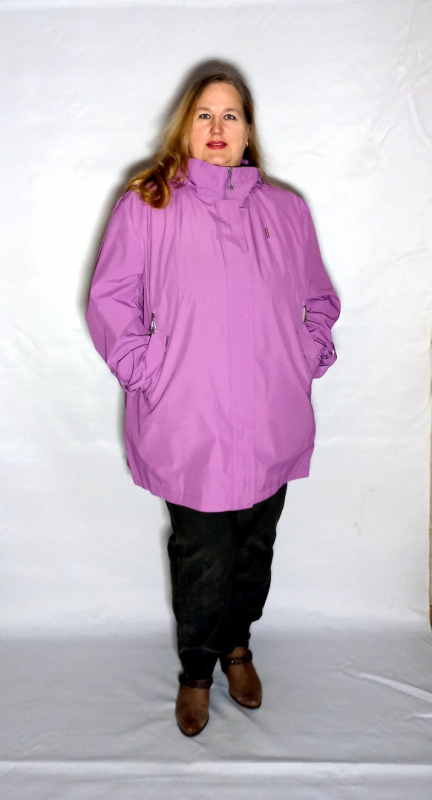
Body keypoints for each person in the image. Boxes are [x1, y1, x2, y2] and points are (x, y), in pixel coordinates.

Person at [86, 66, 340, 737]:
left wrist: (306, 353)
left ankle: (238, 648)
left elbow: (318, 297)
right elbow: (110, 300)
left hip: (272, 417)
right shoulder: (148, 204)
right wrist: (148, 370)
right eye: (205, 115)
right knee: (203, 557)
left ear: (249, 131)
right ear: (185, 127)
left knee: (255, 549)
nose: (218, 128)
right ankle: (197, 671)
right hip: (187, 421)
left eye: (231, 115)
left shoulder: (286, 211)